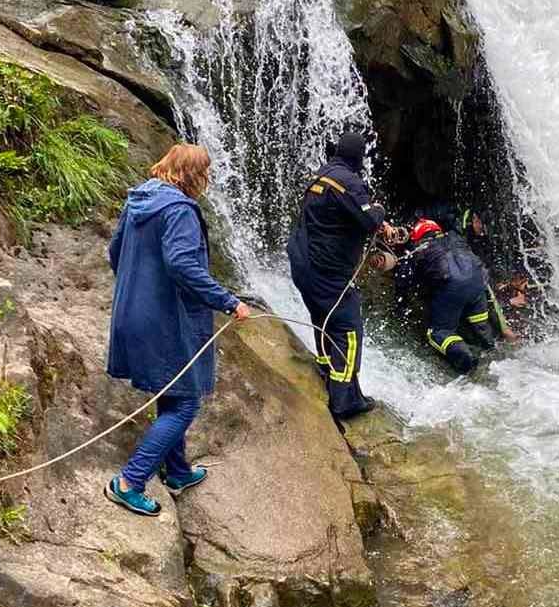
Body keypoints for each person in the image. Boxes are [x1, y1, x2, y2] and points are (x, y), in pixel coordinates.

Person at [104, 143, 253, 517]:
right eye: (205, 174)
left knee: (173, 390)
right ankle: (130, 481)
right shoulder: (180, 210)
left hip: (132, 313)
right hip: (163, 321)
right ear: (194, 175)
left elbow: (114, 253)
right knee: (185, 402)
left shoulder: (139, 199)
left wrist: (138, 289)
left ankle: (179, 471)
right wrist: (228, 301)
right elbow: (183, 265)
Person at [288, 131, 389, 419]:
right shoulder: (348, 182)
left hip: (302, 262)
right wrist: (379, 209)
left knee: (323, 316)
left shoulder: (322, 176)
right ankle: (344, 399)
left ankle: (325, 367)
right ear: (357, 157)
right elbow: (369, 219)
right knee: (348, 327)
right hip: (326, 269)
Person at [391, 217, 502, 374]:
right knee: (480, 324)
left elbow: (403, 280)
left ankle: (465, 359)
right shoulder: (456, 237)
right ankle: (494, 350)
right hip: (478, 281)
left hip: (452, 288)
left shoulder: (418, 248)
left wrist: (400, 307)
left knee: (439, 332)